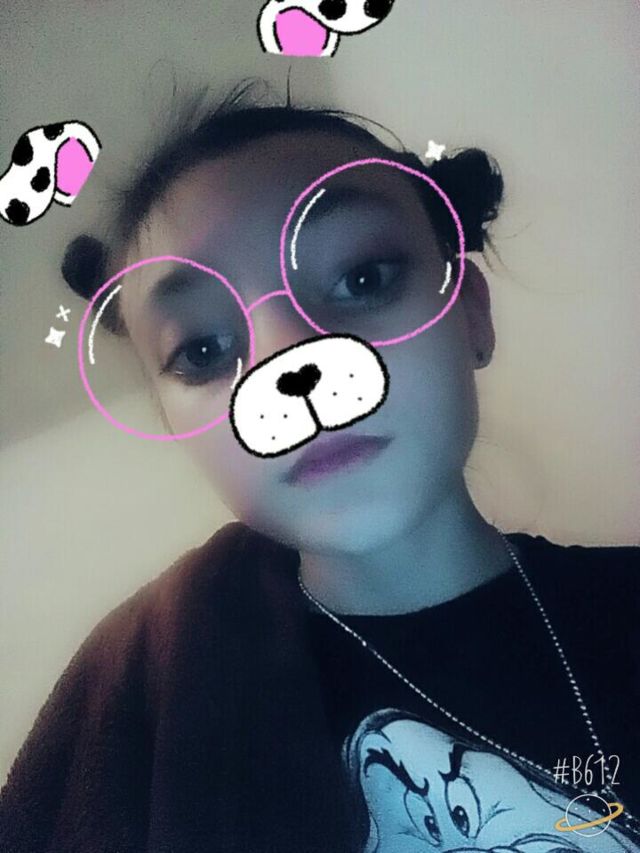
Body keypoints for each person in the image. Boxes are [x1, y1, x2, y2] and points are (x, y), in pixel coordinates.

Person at [1, 83, 639, 852]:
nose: (293, 362)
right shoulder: (144, 692)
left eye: (362, 278)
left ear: (471, 311)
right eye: (202, 348)